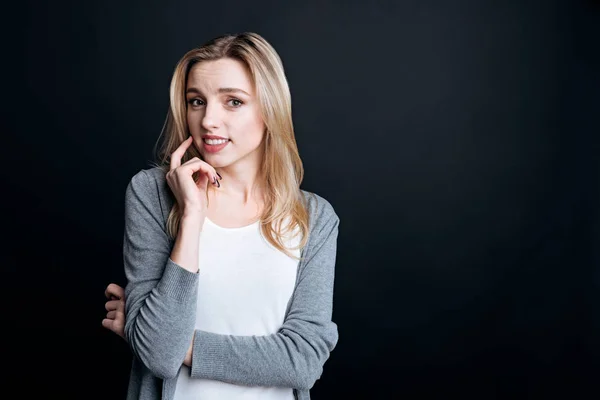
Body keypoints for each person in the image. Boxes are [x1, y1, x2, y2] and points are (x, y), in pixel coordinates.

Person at [101, 32, 340, 400]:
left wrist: (176, 345)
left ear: (270, 108)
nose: (208, 120)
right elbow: (159, 360)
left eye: (233, 102)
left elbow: (304, 361)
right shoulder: (152, 194)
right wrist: (192, 216)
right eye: (196, 101)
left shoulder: (313, 217)